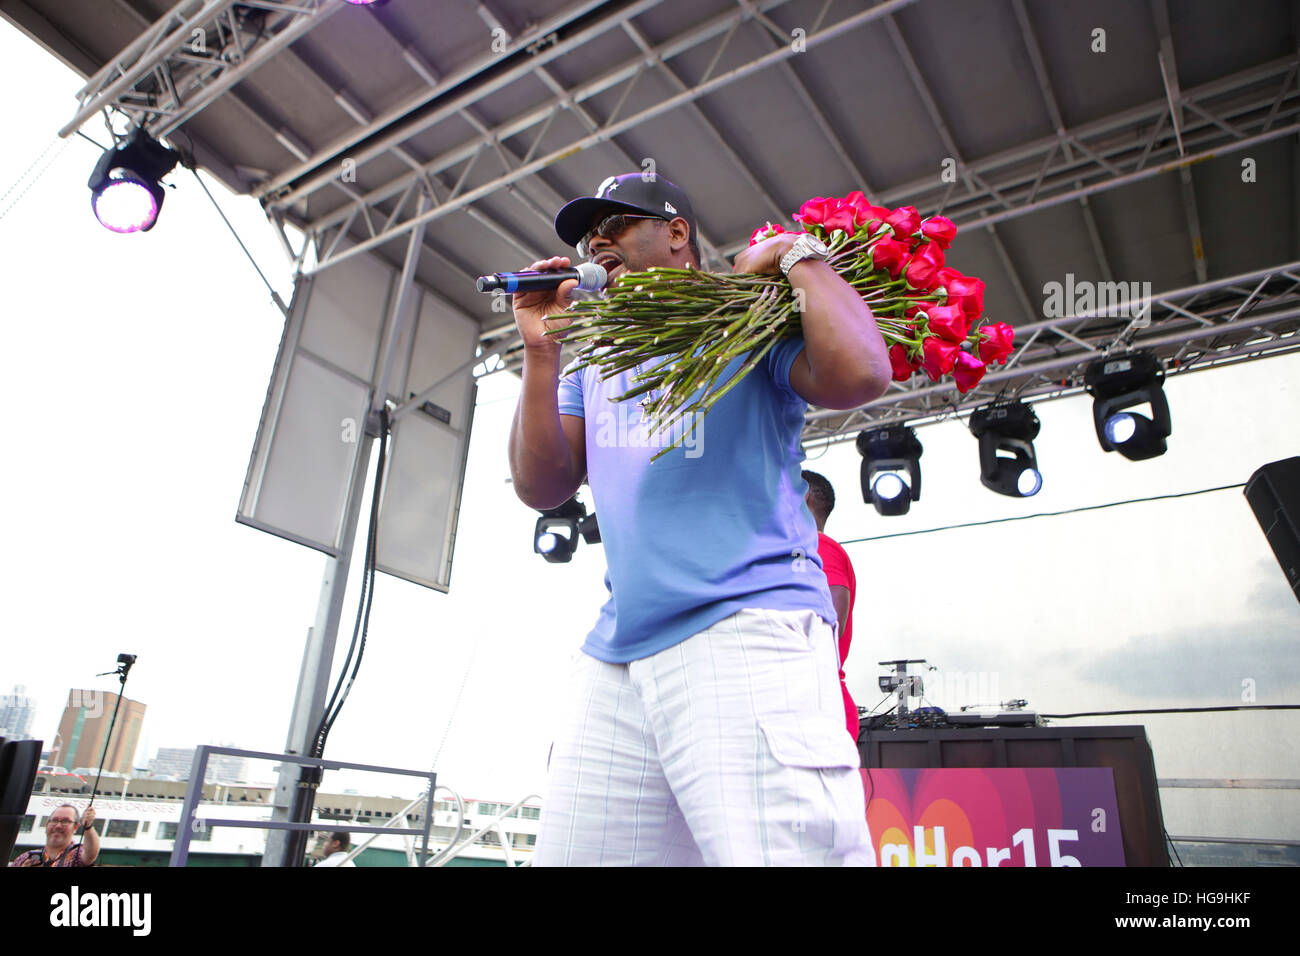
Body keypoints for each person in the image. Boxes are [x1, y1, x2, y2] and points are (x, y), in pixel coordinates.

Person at [509, 172, 891, 866]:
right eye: (587, 239)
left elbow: (861, 372)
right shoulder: (594, 362)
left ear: (677, 232)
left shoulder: (747, 316)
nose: (596, 244)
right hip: (617, 655)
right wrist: (541, 350)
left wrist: (794, 254)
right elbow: (542, 486)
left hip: (743, 626)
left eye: (614, 225)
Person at [802, 470, 860, 745]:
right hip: (813, 704)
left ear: (804, 497)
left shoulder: (817, 546)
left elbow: (831, 627)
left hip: (819, 707)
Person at [9, 804, 98, 867]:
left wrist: (87, 827)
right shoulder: (25, 858)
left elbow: (91, 854)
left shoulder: (76, 855)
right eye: (54, 820)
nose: (58, 826)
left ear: (75, 827)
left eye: (65, 821)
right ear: (47, 825)